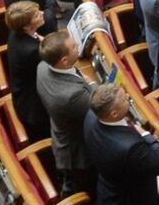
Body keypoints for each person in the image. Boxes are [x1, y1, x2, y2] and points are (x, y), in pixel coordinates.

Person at [82, 84, 159, 203]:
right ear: (114, 114)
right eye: (125, 99)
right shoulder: (132, 147)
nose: (129, 97)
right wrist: (146, 135)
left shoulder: (91, 116)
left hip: (108, 188)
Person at [37, 30, 94, 198]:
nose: (78, 47)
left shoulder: (43, 66)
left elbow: (74, 73)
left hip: (61, 132)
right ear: (63, 60)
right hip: (78, 153)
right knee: (90, 191)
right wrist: (92, 83)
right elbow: (99, 106)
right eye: (75, 47)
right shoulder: (71, 96)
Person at [5, 0, 49, 140]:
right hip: (35, 110)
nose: (42, 14)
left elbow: (38, 39)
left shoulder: (16, 34)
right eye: (36, 15)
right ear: (26, 26)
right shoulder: (31, 51)